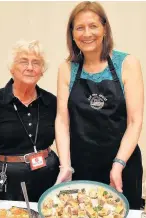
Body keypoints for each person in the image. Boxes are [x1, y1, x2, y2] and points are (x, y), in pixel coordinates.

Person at [55, 1, 144, 209]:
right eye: (80, 27)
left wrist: (118, 164)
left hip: (122, 163)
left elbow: (135, 121)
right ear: (72, 33)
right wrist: (65, 164)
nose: (87, 33)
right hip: (81, 166)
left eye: (93, 26)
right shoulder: (67, 68)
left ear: (105, 28)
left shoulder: (128, 63)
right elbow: (62, 121)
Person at [0, 40, 59, 204]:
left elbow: (63, 137)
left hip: (48, 172)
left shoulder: (52, 102)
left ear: (42, 71)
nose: (30, 67)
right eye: (23, 61)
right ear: (12, 68)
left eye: (36, 63)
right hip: (8, 178)